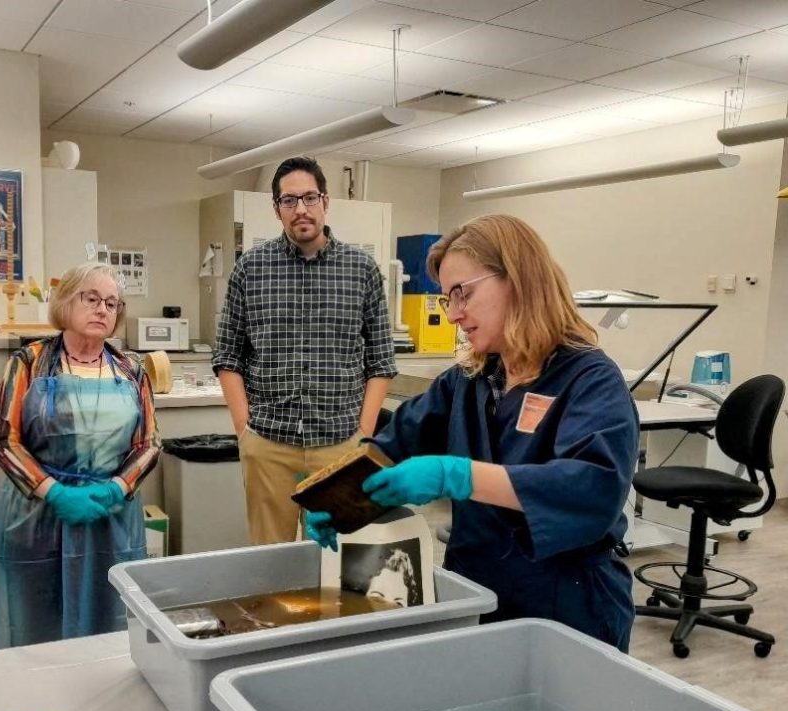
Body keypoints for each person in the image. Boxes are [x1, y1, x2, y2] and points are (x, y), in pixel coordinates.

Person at [306, 215, 639, 651]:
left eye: (463, 293)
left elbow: (592, 487)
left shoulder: (589, 379)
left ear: (519, 279)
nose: (455, 315)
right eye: (448, 299)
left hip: (565, 600)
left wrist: (457, 475)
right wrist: (338, 499)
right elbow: (394, 444)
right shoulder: (468, 379)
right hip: (476, 591)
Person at [212, 156, 397, 545]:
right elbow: (227, 356)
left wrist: (364, 434)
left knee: (340, 560)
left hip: (340, 443)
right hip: (268, 442)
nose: (301, 209)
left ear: (326, 202)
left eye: (309, 198)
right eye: (289, 200)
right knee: (269, 558)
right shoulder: (250, 269)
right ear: (276, 209)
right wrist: (244, 430)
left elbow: (381, 361)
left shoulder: (362, 270)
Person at [0, 262, 160, 649]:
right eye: (92, 298)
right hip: (39, 515)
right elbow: (3, 440)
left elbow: (149, 444)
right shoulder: (28, 363)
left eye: (112, 303)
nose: (103, 309)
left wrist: (115, 489)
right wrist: (55, 492)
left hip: (110, 517)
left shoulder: (131, 369)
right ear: (65, 303)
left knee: (109, 622)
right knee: (35, 626)